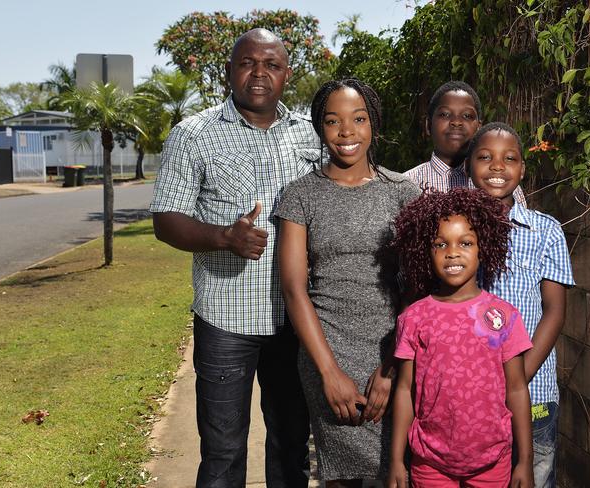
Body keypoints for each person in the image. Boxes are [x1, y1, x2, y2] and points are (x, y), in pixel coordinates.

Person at [150, 28, 320, 487]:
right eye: (247, 63)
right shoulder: (194, 135)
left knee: (291, 446)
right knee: (223, 453)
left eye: (272, 64)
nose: (259, 73)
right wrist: (225, 236)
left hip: (296, 320)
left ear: (287, 73)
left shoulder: (311, 135)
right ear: (229, 71)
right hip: (226, 320)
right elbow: (165, 219)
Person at [276, 78, 421, 486]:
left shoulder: (403, 193)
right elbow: (293, 288)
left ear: (373, 123)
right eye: (332, 121)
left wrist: (393, 365)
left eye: (358, 119)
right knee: (340, 477)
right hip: (328, 350)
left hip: (393, 350)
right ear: (319, 127)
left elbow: (417, 289)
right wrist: (329, 373)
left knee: (398, 471)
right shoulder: (300, 194)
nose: (346, 132)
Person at [387, 188, 534, 488]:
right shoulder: (414, 317)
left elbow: (517, 390)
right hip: (430, 462)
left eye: (465, 243)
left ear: (484, 247)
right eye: (441, 244)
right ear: (425, 251)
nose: (452, 252)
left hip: (492, 461)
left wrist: (525, 461)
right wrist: (395, 461)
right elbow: (404, 390)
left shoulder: (503, 315)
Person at [467, 122, 575, 488]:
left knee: (532, 478)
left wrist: (518, 376)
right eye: (485, 157)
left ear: (522, 169)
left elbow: (554, 312)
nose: (497, 166)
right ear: (468, 166)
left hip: (534, 393)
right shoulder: (455, 230)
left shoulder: (546, 231)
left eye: (509, 158)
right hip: (470, 393)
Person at [403, 81, 526, 205]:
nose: (456, 122)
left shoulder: (502, 184)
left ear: (479, 129)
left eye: (467, 116)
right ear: (428, 125)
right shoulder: (405, 185)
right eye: (445, 114)